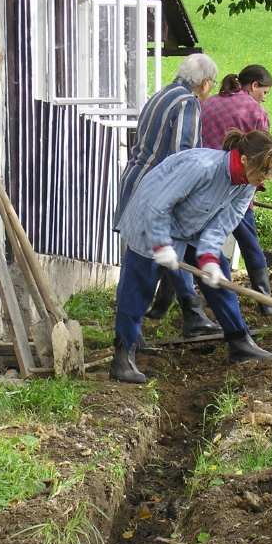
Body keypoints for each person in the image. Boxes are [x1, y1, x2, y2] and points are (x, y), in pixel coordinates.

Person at [110, 129, 272, 384]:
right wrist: (161, 245)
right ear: (245, 160)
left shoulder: (248, 183)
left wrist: (209, 257)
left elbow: (225, 222)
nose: (266, 177)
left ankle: (240, 342)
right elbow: (159, 205)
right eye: (264, 170)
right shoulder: (201, 167)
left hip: (191, 226)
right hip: (151, 219)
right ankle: (122, 358)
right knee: (140, 286)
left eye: (270, 172)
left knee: (220, 276)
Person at [113, 53, 222, 340]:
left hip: (136, 180)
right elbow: (182, 154)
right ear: (206, 82)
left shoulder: (161, 95)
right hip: (156, 189)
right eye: (212, 83)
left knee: (143, 258)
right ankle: (191, 312)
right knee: (163, 250)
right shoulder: (187, 103)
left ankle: (139, 332)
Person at [200, 64, 272, 315]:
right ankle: (265, 302)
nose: (264, 97)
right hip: (236, 184)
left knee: (188, 238)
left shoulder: (209, 103)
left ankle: (176, 304)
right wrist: (255, 189)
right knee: (249, 242)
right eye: (264, 91)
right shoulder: (256, 112)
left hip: (202, 184)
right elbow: (263, 156)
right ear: (254, 85)